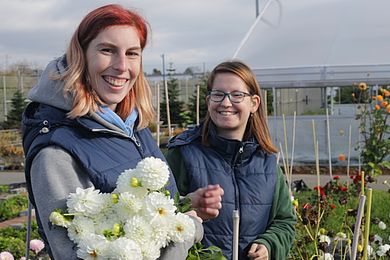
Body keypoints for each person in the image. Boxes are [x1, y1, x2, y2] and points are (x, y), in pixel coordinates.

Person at [22, 4, 205, 259]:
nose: (121, 66)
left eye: (132, 53)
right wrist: (188, 230)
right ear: (81, 55)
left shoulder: (131, 126)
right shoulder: (56, 152)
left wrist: (182, 203)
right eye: (107, 50)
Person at [165, 60, 296, 260]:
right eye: (218, 94)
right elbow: (158, 214)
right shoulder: (183, 154)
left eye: (237, 95)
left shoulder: (267, 161)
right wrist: (187, 204)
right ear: (209, 101)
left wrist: (269, 244)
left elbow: (284, 221)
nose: (226, 103)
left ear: (254, 103)